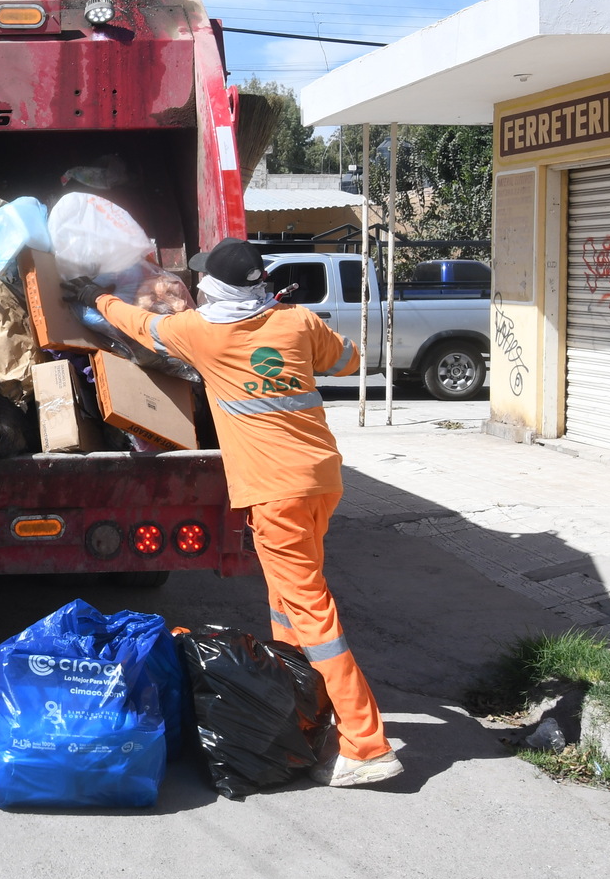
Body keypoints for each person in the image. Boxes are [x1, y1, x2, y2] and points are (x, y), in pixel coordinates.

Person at [73, 237, 402, 788]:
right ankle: (301, 708)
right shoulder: (296, 322)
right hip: (320, 480)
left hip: (275, 493)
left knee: (312, 615)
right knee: (286, 606)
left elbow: (139, 326)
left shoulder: (201, 333)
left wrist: (96, 298)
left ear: (216, 289)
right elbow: (348, 360)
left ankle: (366, 743)